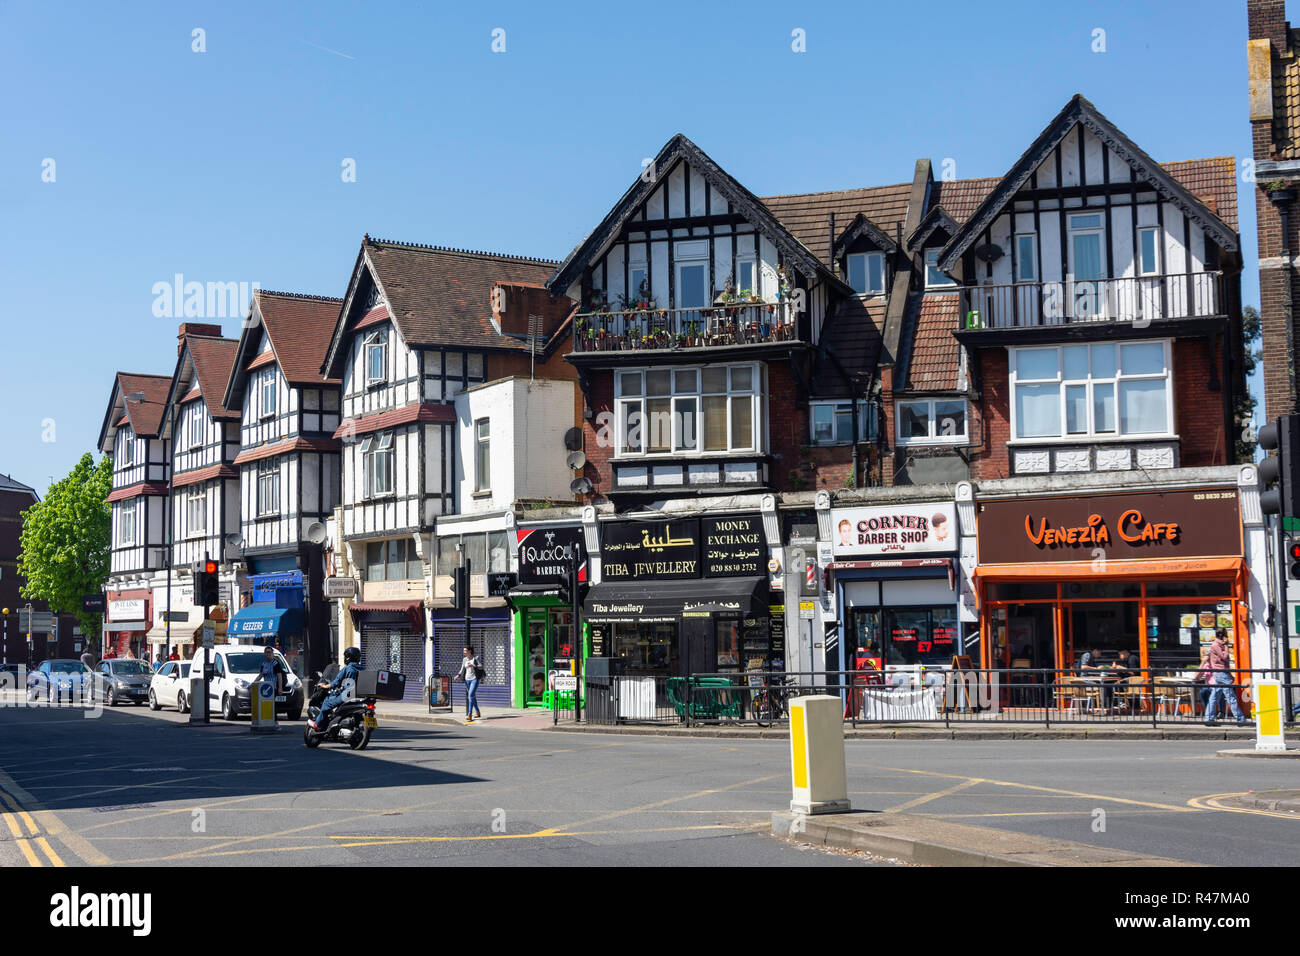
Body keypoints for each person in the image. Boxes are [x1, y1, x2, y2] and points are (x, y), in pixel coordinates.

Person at [1196, 628, 1246, 726]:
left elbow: (1224, 662)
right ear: (1222, 635)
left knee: (1214, 696)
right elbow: (1225, 657)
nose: (1227, 637)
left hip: (1221, 673)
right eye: (1225, 635)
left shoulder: (1217, 645)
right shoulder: (1216, 645)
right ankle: (1240, 719)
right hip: (1221, 673)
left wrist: (1230, 674)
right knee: (1231, 696)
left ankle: (1209, 718)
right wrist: (1226, 646)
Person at [312, 646, 363, 733]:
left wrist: (324, 686)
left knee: (326, 704)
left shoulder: (347, 668)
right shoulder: (363, 669)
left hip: (347, 695)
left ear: (348, 657)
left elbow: (336, 682)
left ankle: (318, 725)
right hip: (359, 696)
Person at [453, 644, 484, 722]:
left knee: (470, 695)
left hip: (474, 679)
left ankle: (469, 714)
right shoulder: (464, 660)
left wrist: (474, 665)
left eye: (465, 650)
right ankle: (477, 712)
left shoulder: (475, 659)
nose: (464, 652)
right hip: (467, 680)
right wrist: (458, 675)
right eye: (464, 650)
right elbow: (462, 669)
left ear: (469, 651)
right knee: (472, 696)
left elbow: (481, 667)